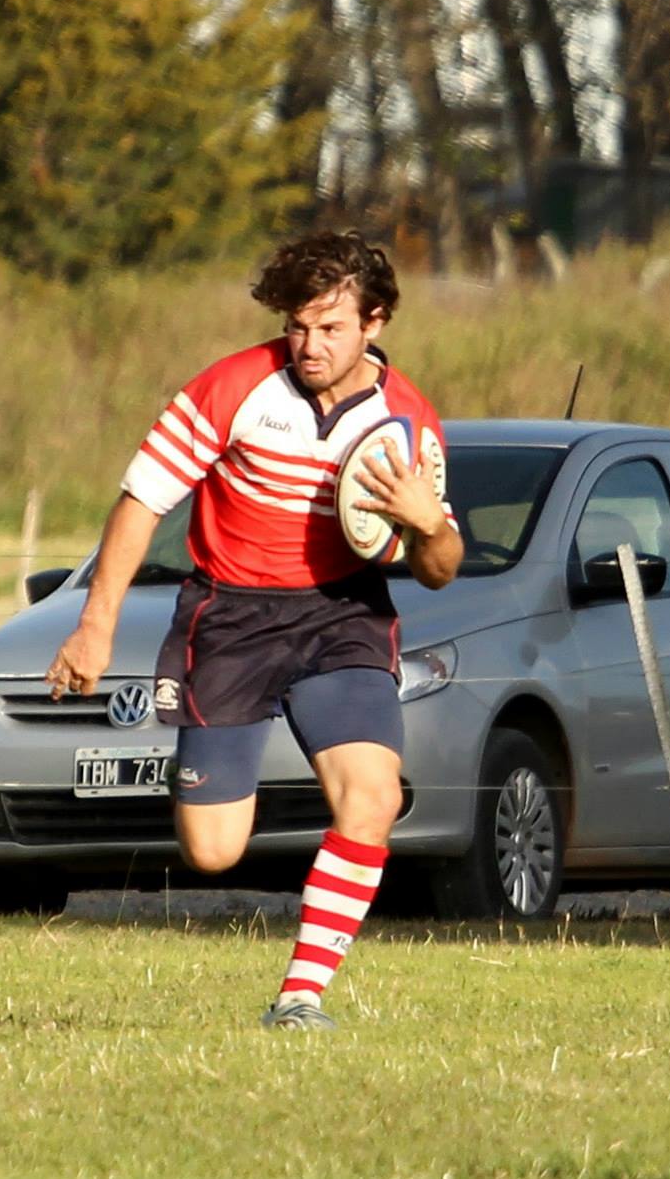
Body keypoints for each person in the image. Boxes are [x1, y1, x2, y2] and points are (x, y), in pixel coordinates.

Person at [45, 231, 461, 1031]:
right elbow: (140, 504)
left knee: (372, 799)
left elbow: (440, 565)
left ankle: (300, 998)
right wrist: (94, 628)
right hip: (229, 615)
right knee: (213, 850)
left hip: (342, 613)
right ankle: (221, 777)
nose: (309, 345)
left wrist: (424, 527)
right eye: (298, 325)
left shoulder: (406, 419)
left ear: (375, 322)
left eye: (331, 328)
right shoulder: (236, 387)